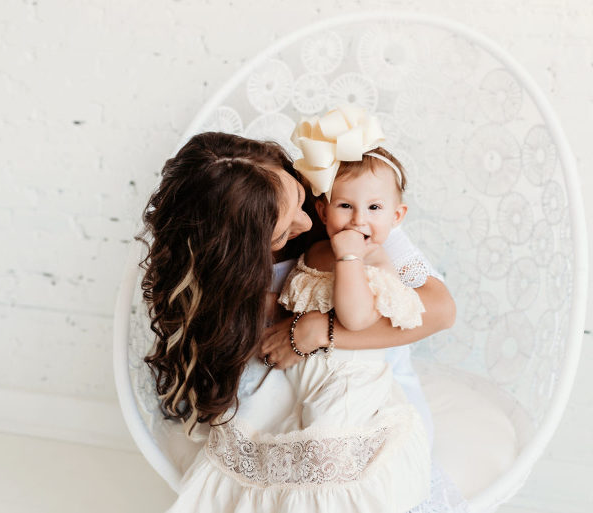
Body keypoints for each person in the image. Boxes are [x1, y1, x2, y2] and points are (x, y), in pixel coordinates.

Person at [139, 125, 455, 512]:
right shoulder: (224, 275)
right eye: (283, 230)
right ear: (241, 250)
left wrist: (320, 329)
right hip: (280, 387)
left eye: (300, 200)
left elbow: (440, 311)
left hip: (363, 382)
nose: (306, 224)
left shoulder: (352, 211)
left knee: (337, 455)